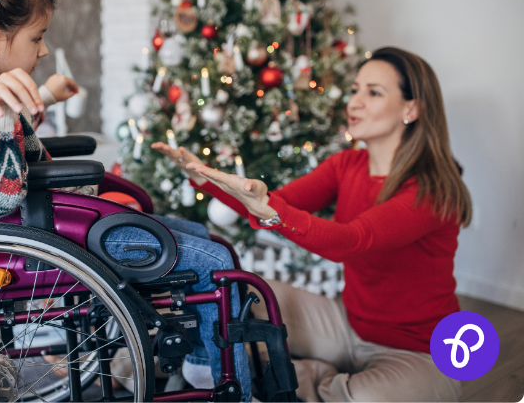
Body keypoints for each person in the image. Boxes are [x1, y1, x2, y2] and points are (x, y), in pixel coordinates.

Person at [0, 0, 251, 400]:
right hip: (51, 234)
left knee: (199, 235)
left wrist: (41, 95)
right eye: (38, 37)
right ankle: (225, 383)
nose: (44, 50)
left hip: (53, 224)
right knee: (214, 260)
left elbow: (5, 146)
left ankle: (196, 362)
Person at [153, 47, 470, 402]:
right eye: (354, 90)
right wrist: (202, 177)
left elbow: (351, 240)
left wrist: (271, 210)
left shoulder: (432, 189)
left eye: (373, 92)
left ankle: (306, 376)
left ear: (411, 109)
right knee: (238, 291)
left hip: (418, 351)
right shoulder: (346, 164)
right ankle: (301, 374)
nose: (355, 102)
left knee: (367, 398)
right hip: (349, 324)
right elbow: (269, 203)